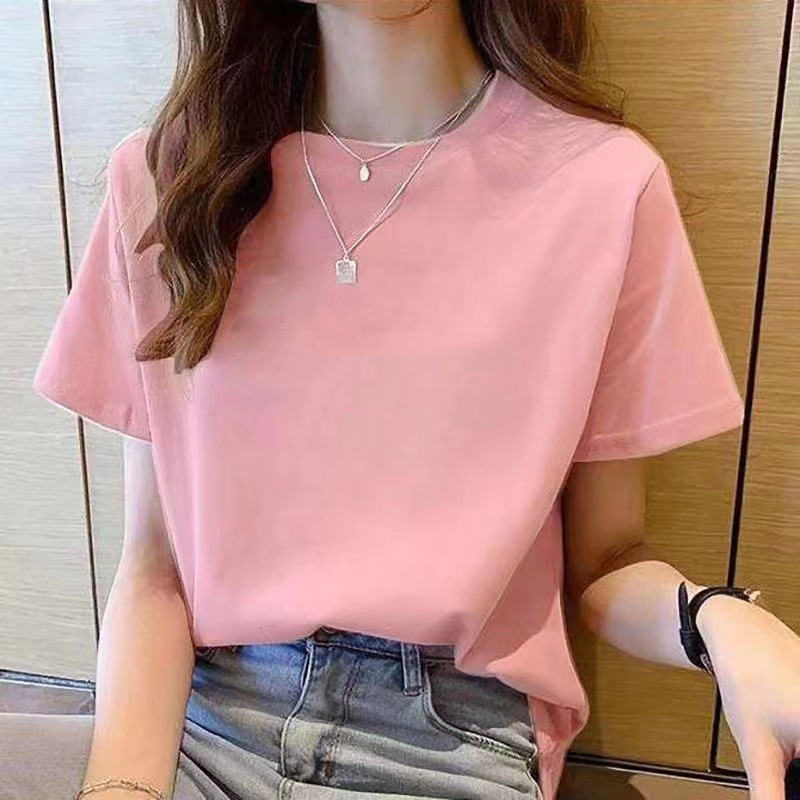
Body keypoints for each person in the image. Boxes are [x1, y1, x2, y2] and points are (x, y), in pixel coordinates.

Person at [4, 1, 799, 799]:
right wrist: (121, 789)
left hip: (446, 747)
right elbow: (157, 569)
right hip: (199, 722)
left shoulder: (604, 187)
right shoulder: (173, 182)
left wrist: (720, 620)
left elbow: (608, 564)